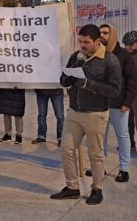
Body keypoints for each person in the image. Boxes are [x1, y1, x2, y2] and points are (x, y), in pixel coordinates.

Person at [51, 24, 121, 205]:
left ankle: (97, 189)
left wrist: (87, 84)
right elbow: (63, 80)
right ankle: (72, 187)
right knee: (66, 149)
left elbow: (114, 90)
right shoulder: (76, 56)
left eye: (87, 42)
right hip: (74, 112)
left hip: (95, 114)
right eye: (80, 41)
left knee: (95, 154)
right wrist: (68, 77)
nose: (82, 45)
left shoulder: (109, 60)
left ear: (98, 41)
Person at [90, 24, 136, 183]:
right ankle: (98, 166)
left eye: (105, 32)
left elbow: (131, 80)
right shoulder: (95, 53)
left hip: (118, 103)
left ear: (113, 34)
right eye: (100, 32)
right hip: (99, 103)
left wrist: (127, 101)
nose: (102, 35)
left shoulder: (123, 55)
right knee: (99, 136)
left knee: (122, 135)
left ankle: (124, 169)